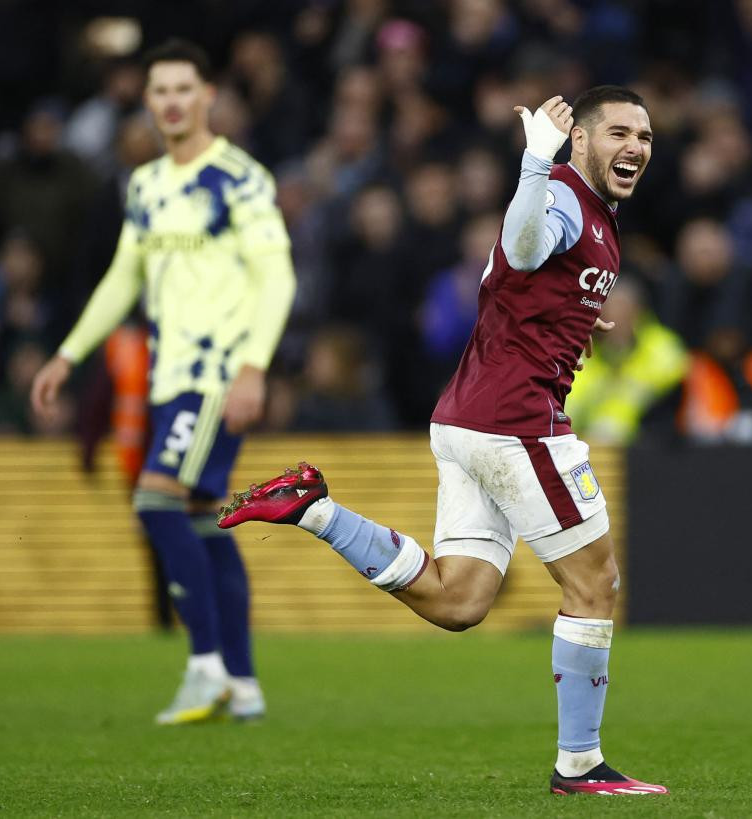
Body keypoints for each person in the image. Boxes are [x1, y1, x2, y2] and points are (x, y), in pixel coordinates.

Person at [218, 86, 668, 796]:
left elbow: (513, 284)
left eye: (644, 136)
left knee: (460, 601)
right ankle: (579, 765)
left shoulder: (589, 214)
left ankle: (314, 508)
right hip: (516, 422)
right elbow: (522, 249)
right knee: (594, 582)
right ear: (578, 140)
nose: (636, 146)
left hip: (464, 421)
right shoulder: (556, 194)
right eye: (618, 131)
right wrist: (533, 162)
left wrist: (574, 311)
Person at [29, 39, 296, 725]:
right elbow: (125, 275)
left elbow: (277, 275)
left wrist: (253, 367)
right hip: (167, 377)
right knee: (204, 520)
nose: (172, 102)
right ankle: (244, 683)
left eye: (184, 88)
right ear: (147, 102)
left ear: (208, 95)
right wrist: (69, 352)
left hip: (215, 374)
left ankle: (204, 666)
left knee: (155, 500)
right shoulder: (146, 185)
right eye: (160, 91)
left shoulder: (237, 177)